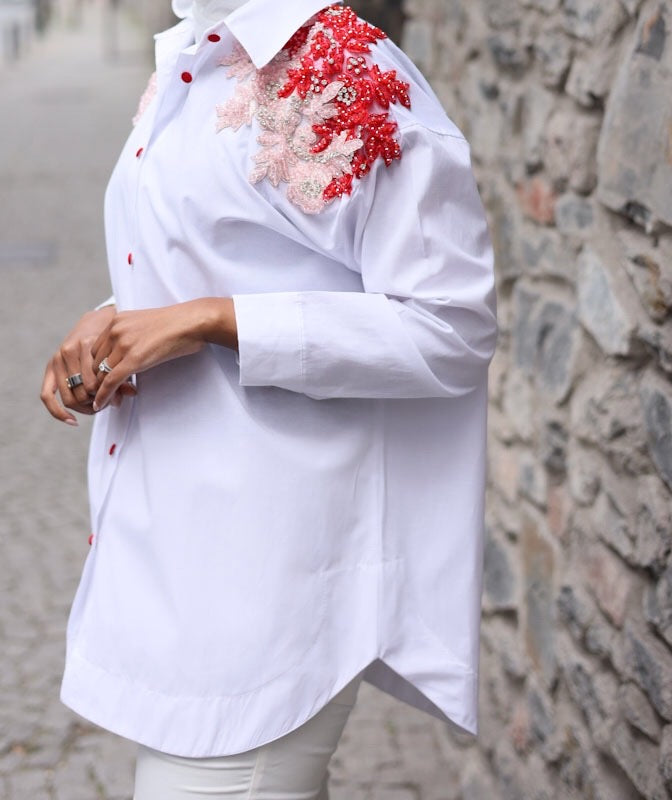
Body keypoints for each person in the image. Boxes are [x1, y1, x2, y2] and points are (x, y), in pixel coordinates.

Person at [40, 0, 498, 796]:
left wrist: (216, 322)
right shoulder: (198, 55)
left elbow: (449, 325)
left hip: (276, 576)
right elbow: (226, 255)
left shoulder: (354, 76)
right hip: (184, 557)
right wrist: (115, 325)